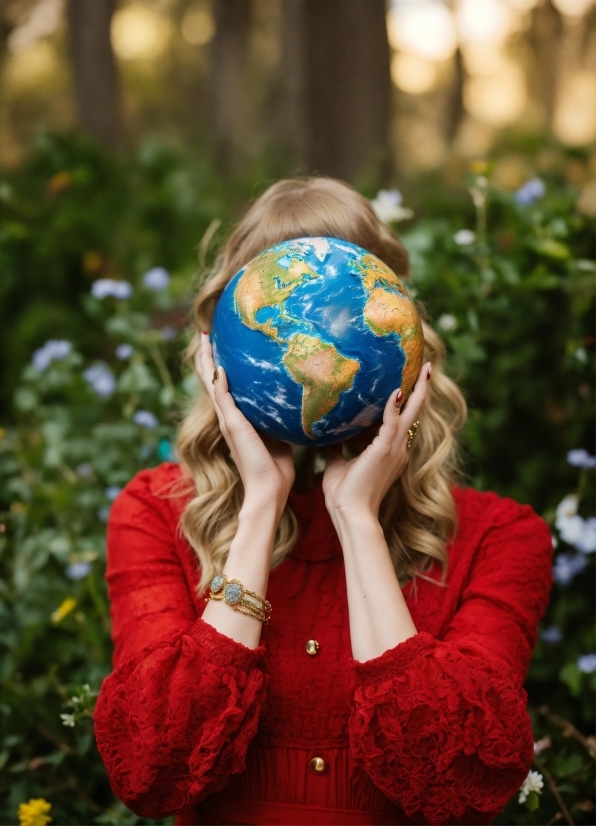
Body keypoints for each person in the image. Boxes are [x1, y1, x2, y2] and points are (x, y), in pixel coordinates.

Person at [94, 177, 553, 826]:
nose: (306, 343)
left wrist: (357, 520)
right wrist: (259, 506)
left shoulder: (499, 537)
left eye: (341, 315)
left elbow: (458, 781)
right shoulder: (156, 513)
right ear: (217, 355)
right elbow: (151, 770)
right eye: (282, 325)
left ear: (405, 343)